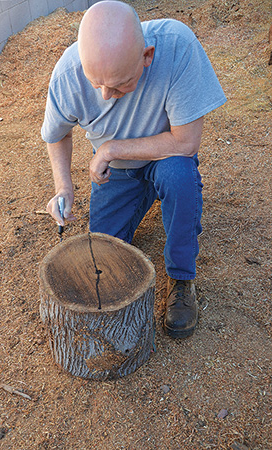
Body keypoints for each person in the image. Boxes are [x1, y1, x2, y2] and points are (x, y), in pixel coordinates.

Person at [41, 1, 226, 339]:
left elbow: (186, 143)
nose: (106, 95)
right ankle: (149, 200)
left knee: (179, 178)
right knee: (105, 252)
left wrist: (110, 148)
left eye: (119, 84)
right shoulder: (69, 73)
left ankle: (182, 279)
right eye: (97, 83)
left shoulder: (178, 46)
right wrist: (63, 188)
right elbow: (57, 134)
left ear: (147, 56)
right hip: (118, 173)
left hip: (166, 157)